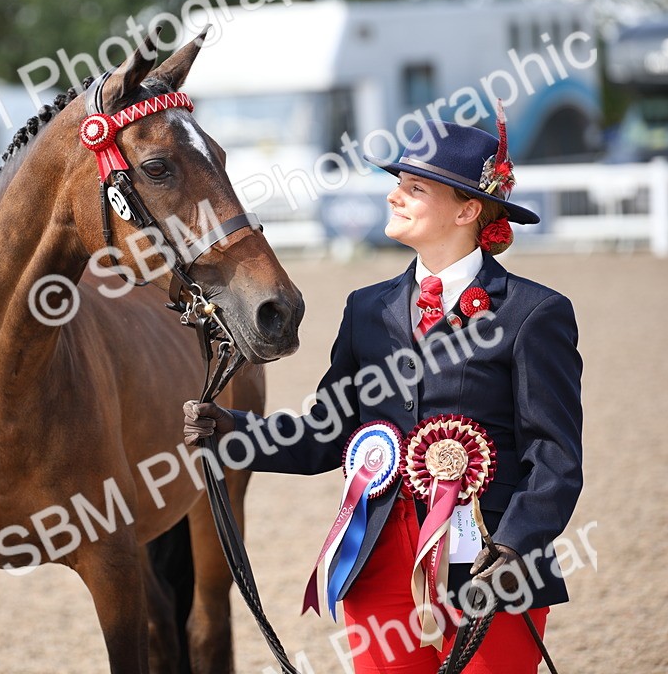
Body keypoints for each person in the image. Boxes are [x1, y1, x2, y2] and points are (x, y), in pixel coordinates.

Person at [184, 120, 583, 674]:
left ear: (468, 210)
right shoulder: (366, 308)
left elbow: (556, 457)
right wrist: (233, 430)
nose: (394, 194)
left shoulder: (533, 314)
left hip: (487, 560)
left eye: (415, 188)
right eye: (399, 182)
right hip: (376, 555)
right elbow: (328, 431)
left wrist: (515, 547)